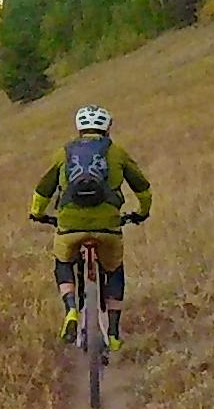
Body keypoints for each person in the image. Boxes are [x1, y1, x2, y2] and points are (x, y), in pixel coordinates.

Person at [28, 105, 153, 349]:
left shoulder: (64, 152)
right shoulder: (117, 152)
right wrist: (142, 213)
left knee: (63, 262)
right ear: (107, 128)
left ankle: (71, 309)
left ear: (79, 128)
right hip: (108, 227)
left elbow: (43, 190)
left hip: (70, 226)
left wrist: (37, 213)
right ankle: (115, 334)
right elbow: (143, 188)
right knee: (114, 269)